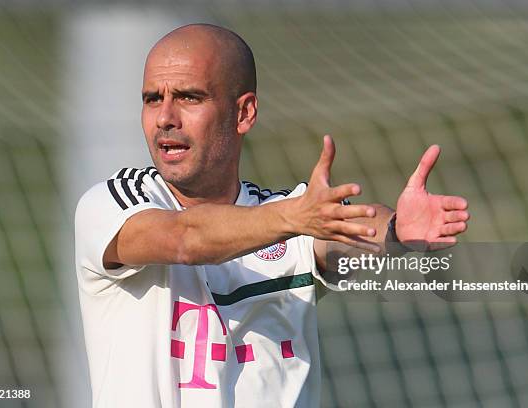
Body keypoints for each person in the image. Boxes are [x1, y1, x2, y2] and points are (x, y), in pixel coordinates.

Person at [74, 23, 469, 408]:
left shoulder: (292, 217)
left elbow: (344, 235)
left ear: (244, 113)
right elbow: (184, 239)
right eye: (151, 99)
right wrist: (294, 219)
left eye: (189, 97)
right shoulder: (111, 204)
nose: (165, 118)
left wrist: (398, 230)